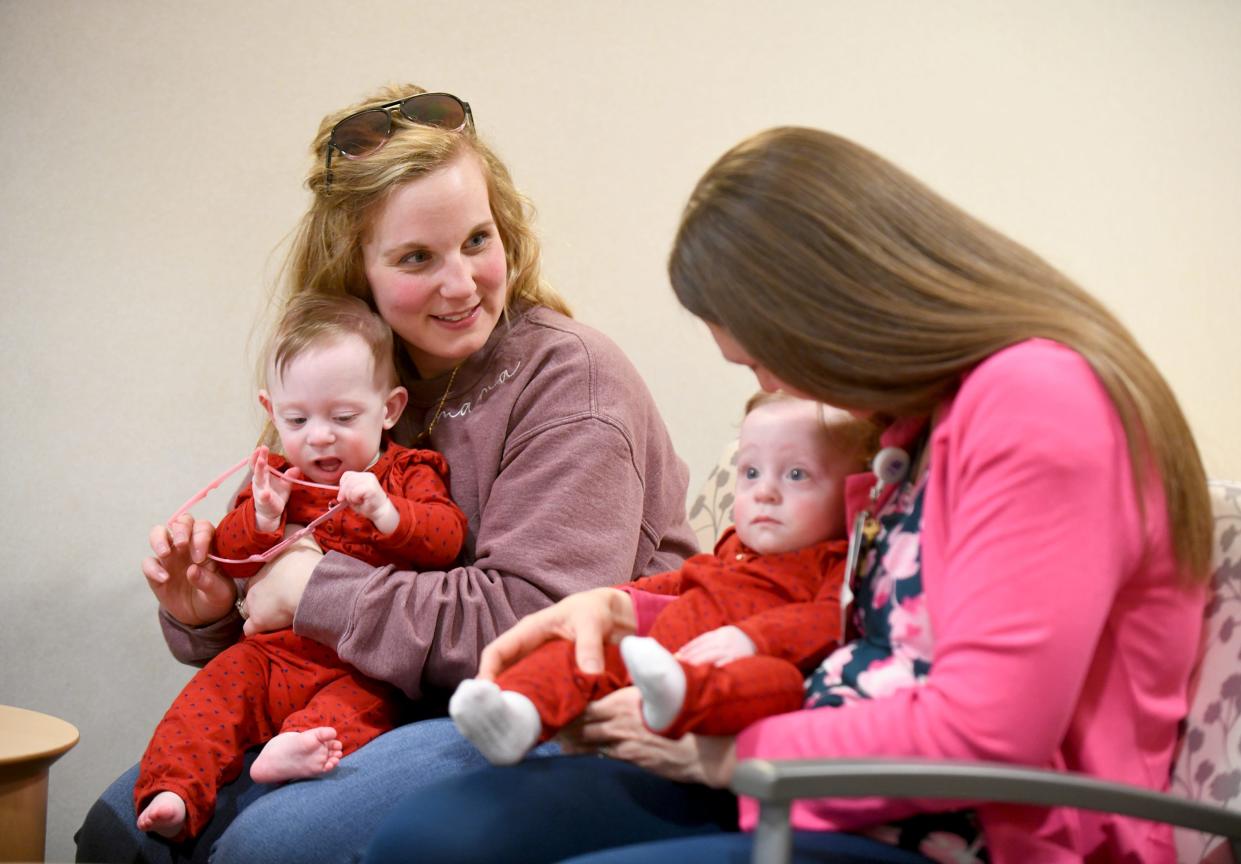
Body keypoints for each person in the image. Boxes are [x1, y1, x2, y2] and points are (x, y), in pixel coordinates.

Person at [363, 126, 1213, 864]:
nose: (769, 383)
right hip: (828, 789)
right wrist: (626, 615)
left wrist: (725, 752)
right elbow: (817, 601)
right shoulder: (909, 429)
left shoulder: (1037, 402)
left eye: (762, 356)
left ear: (826, 309)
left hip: (981, 833)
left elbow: (989, 734)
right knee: (437, 840)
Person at [76, 85, 698, 864]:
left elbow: (536, 624)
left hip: (556, 713)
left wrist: (312, 592)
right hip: (384, 699)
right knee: (122, 826)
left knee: (271, 848)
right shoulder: (355, 380)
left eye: (478, 239)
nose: (461, 282)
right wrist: (210, 610)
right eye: (415, 257)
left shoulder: (572, 383)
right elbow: (283, 603)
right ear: (355, 267)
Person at [134, 292, 468, 840]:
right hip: (273, 654)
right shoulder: (278, 479)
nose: (319, 435)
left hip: (364, 663)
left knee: (364, 709)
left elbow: (446, 538)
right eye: (297, 418)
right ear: (272, 412)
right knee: (211, 697)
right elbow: (231, 555)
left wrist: (388, 512)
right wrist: (263, 517)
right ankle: (174, 788)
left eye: (343, 416)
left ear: (389, 409)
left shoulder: (409, 472)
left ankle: (296, 744)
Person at [450, 392, 875, 764]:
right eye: (750, 473)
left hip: (735, 676)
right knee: (583, 653)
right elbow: (681, 582)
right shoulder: (733, 549)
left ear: (853, 493)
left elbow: (827, 622)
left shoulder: (836, 563)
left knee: (778, 684)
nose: (765, 492)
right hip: (659, 658)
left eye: (796, 474)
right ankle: (516, 713)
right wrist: (616, 602)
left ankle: (679, 697)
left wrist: (754, 640)